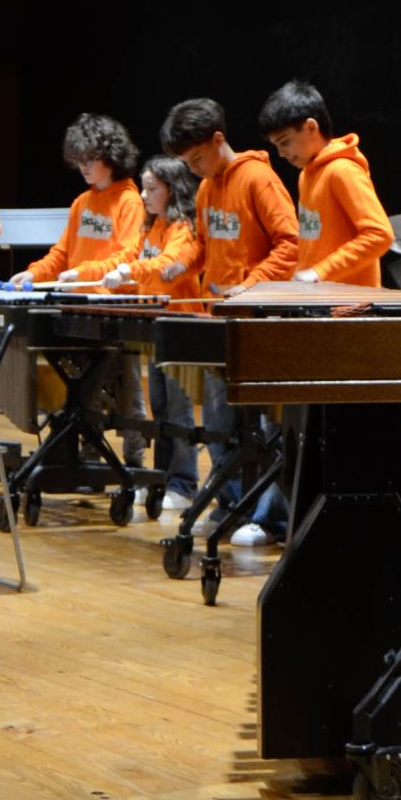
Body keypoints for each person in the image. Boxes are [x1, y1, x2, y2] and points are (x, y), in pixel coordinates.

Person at [160, 97, 297, 545]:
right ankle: (230, 506)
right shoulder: (205, 189)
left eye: (198, 158)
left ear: (219, 139)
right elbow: (203, 244)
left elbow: (289, 244)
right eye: (187, 163)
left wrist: (250, 285)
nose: (194, 169)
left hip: (261, 322)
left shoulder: (258, 178)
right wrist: (181, 263)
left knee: (269, 429)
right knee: (221, 426)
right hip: (219, 321)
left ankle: (273, 519)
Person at [101, 153, 204, 525]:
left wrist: (132, 269)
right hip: (156, 326)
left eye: (151, 189)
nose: (143, 196)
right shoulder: (151, 226)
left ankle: (183, 483)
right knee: (159, 408)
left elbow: (167, 266)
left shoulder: (184, 228)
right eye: (143, 189)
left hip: (182, 327)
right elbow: (127, 256)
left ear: (171, 190)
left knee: (178, 411)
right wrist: (95, 272)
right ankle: (160, 479)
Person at [259, 80, 394, 287]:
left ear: (311, 127)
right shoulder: (306, 175)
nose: (281, 153)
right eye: (276, 145)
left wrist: (320, 272)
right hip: (319, 298)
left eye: (285, 142)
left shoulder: (343, 171)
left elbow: (380, 234)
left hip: (349, 301)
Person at [12, 115, 145, 287]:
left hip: (110, 297)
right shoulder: (81, 202)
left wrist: (82, 272)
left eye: (89, 159)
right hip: (77, 295)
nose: (83, 166)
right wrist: (34, 273)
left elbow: (127, 258)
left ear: (110, 156)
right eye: (79, 160)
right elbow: (62, 254)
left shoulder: (130, 203)